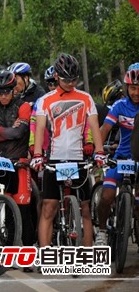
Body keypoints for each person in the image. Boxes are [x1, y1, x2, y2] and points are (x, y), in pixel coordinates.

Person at [33, 53, 103, 249]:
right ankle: (45, 252)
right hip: (54, 159)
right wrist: (37, 155)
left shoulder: (86, 98)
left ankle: (87, 253)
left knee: (86, 209)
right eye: (66, 79)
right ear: (56, 76)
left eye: (74, 79)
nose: (71, 83)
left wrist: (99, 152)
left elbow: (94, 126)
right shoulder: (45, 100)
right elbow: (39, 129)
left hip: (78, 158)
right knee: (49, 208)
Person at [0, 70, 35, 267]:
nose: (2, 95)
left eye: (6, 91)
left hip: (19, 163)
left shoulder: (23, 106)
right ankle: (11, 252)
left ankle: (28, 254)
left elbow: (20, 132)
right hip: (0, 164)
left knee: (23, 210)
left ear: (14, 90)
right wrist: (5, 132)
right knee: (7, 210)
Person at [96, 67, 139, 246]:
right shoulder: (119, 106)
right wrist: (98, 151)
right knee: (106, 196)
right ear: (127, 88)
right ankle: (102, 231)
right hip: (121, 159)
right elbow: (104, 129)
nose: (136, 92)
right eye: (133, 88)